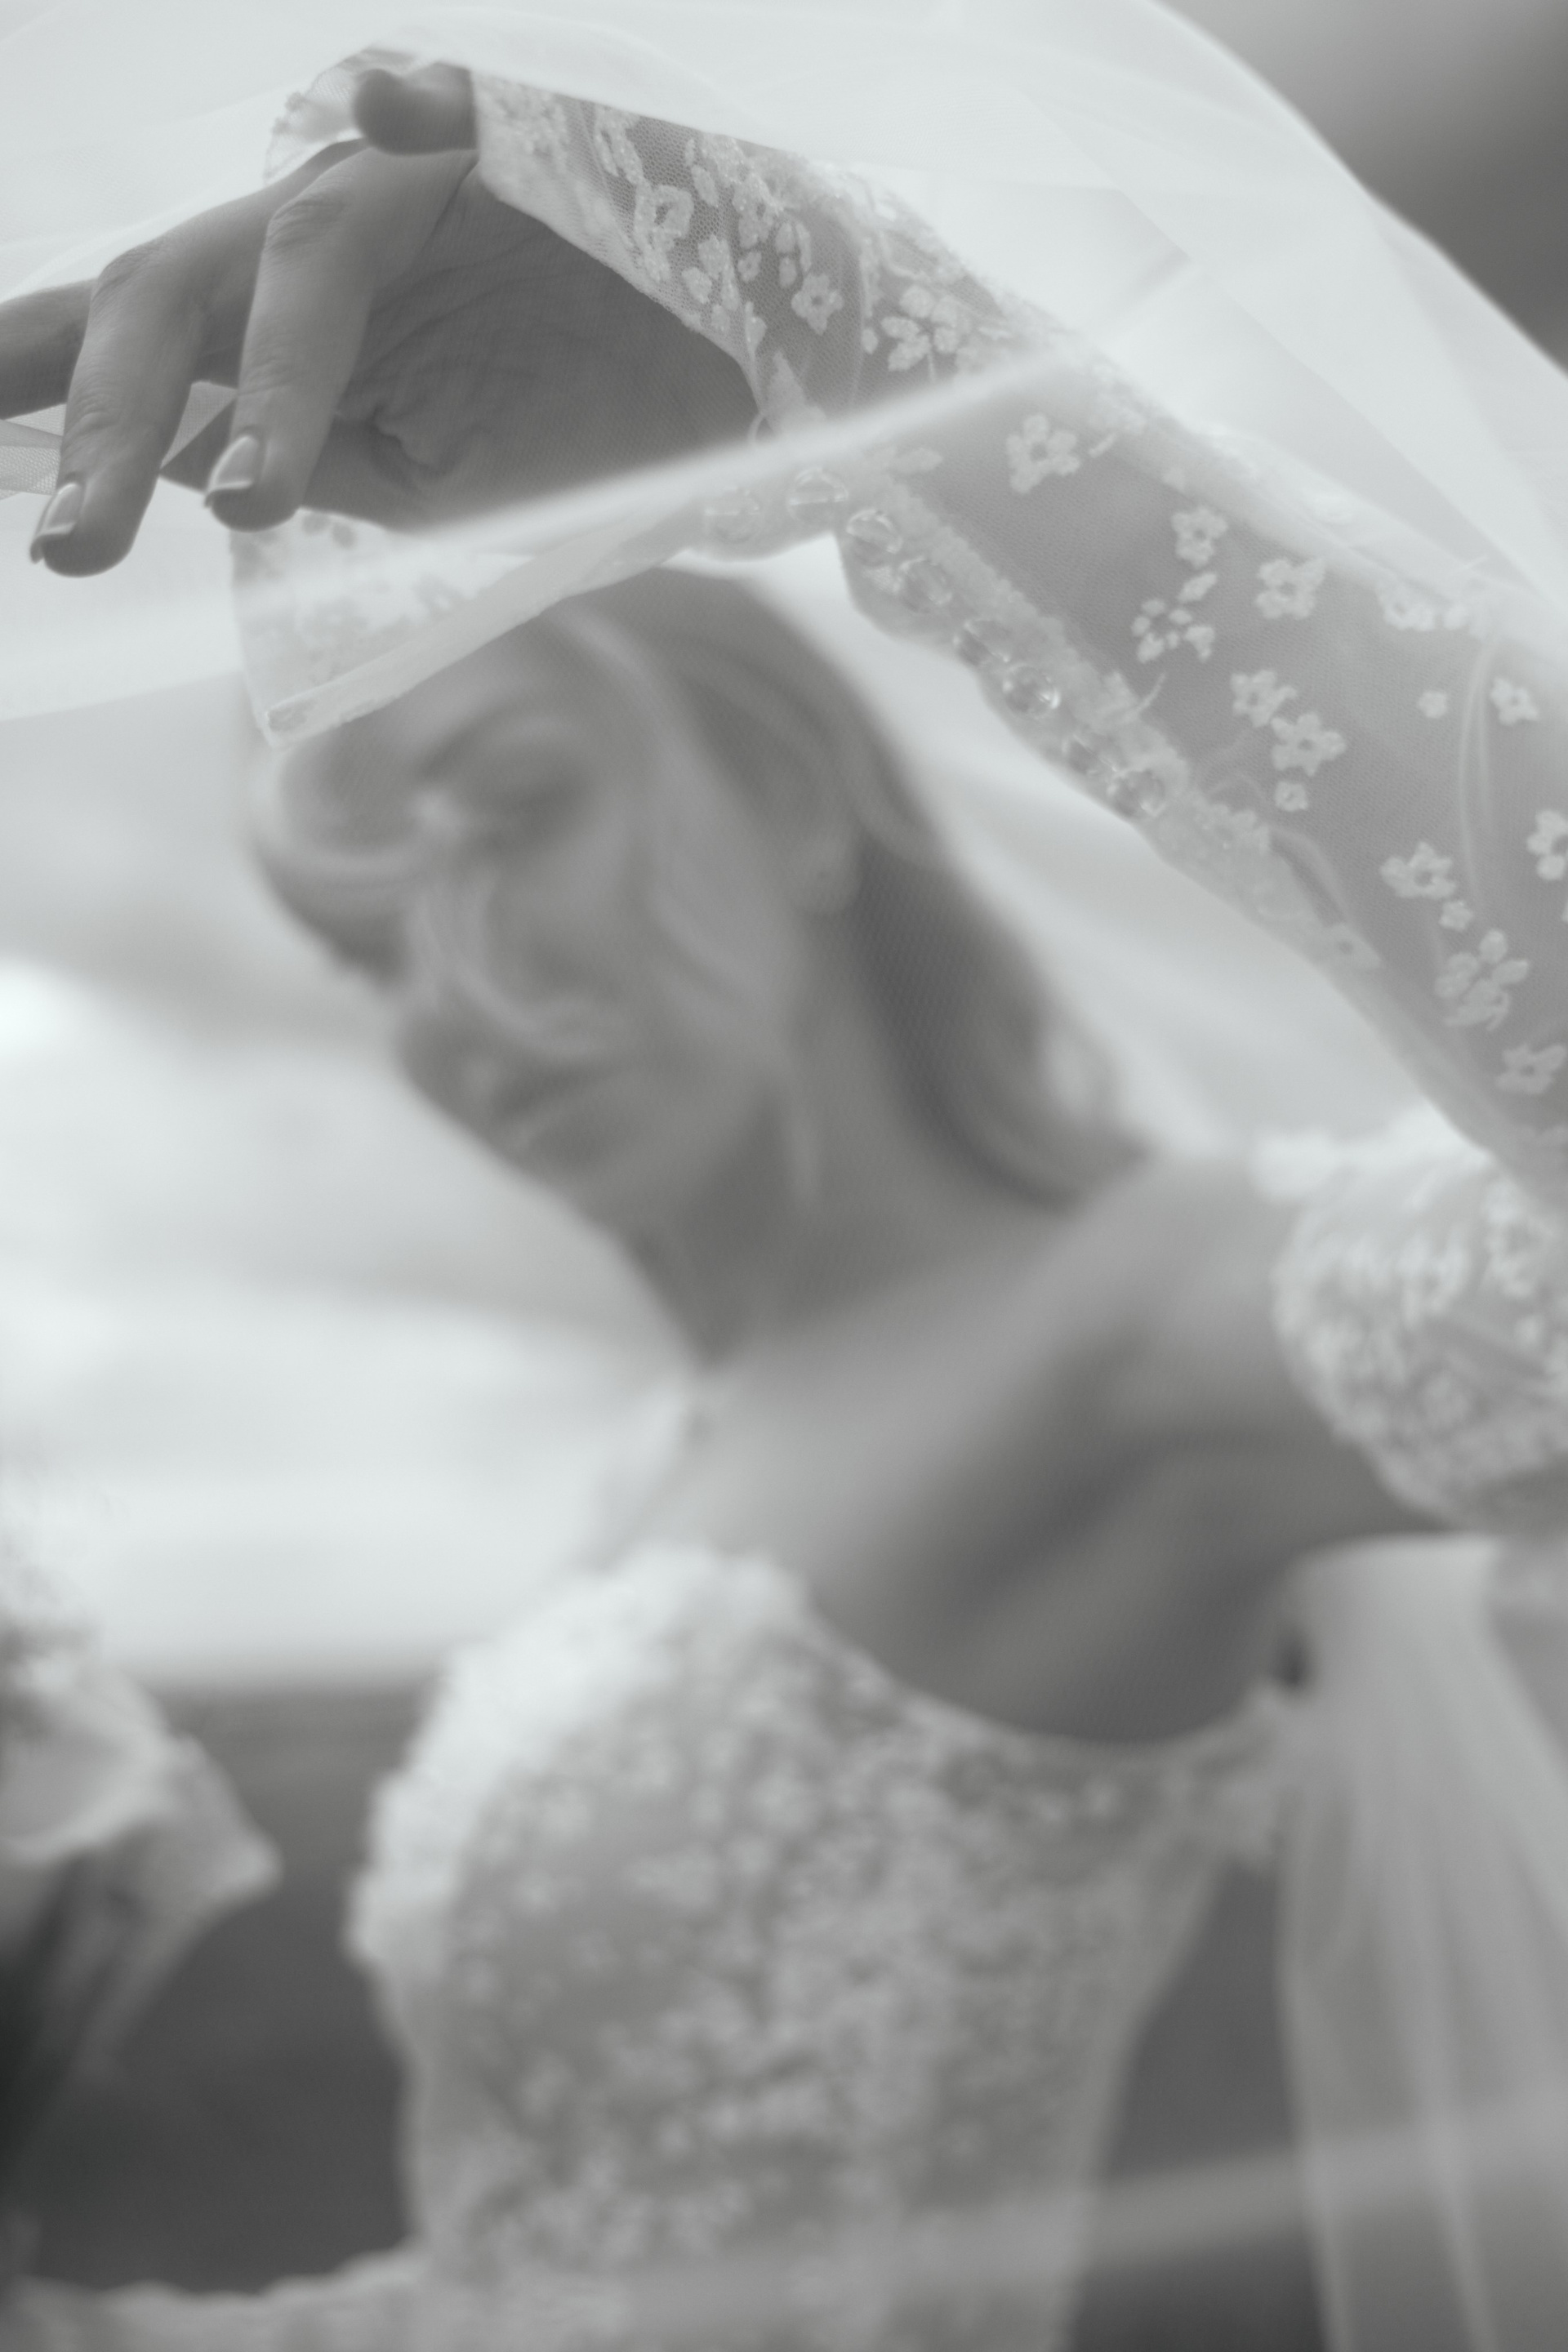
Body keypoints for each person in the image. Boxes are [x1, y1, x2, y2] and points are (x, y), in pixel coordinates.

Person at [5, 7, 1568, 2345]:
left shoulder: (1132, 1336)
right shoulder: (675, 1452)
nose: (459, 988)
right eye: (359, 947)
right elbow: (565, 2273)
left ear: (799, 790)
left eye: (516, 808)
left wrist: (872, 385)